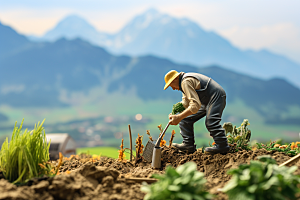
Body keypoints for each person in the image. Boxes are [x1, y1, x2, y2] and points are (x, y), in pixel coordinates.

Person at [164, 70, 229, 154]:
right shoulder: (183, 83)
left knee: (211, 121)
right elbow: (186, 103)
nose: (172, 88)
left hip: (215, 96)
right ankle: (188, 145)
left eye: (171, 85)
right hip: (205, 100)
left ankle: (222, 145)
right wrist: (176, 111)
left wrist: (179, 117)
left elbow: (195, 106)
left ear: (176, 79)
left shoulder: (185, 82)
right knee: (185, 119)